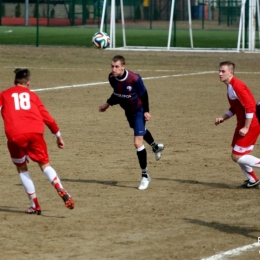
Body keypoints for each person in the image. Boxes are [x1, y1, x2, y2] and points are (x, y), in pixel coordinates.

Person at [0, 68, 74, 215]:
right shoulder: (33, 96)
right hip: (35, 133)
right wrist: (58, 135)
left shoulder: (4, 95)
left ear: (14, 82)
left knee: (21, 168)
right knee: (44, 165)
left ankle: (35, 205)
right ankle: (59, 187)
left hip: (15, 135)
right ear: (28, 83)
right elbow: (47, 118)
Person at [99, 55, 164, 190]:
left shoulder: (134, 79)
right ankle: (156, 147)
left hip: (139, 111)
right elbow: (117, 94)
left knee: (137, 142)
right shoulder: (111, 78)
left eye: (116, 66)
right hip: (128, 112)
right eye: (112, 66)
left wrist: (146, 111)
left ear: (123, 67)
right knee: (140, 131)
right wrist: (108, 104)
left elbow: (144, 94)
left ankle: (145, 175)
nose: (114, 69)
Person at [215, 61, 260, 188]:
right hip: (243, 123)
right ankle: (252, 180)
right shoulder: (230, 86)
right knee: (238, 152)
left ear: (231, 73)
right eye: (219, 71)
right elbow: (234, 108)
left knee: (236, 156)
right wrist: (223, 118)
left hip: (251, 124)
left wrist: (246, 127)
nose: (220, 74)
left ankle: (252, 179)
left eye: (223, 71)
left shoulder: (237, 86)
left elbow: (250, 108)